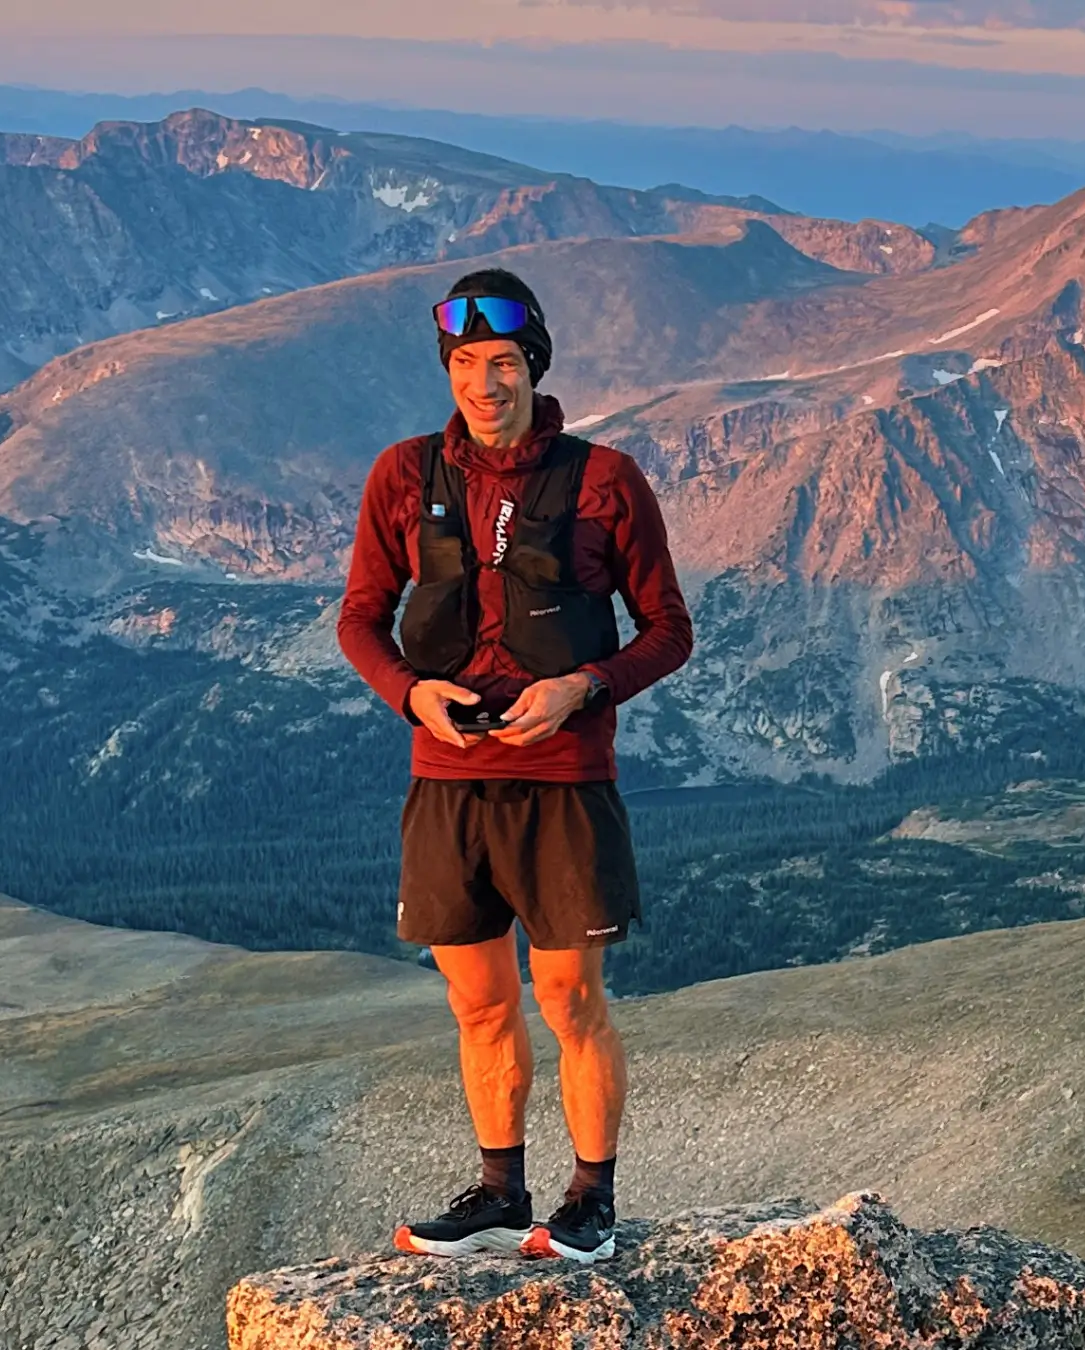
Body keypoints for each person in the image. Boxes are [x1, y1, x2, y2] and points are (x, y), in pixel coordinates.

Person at [337, 267, 693, 1263]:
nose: (483, 385)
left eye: (502, 363)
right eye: (464, 364)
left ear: (534, 365)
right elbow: (360, 620)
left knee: (570, 1000)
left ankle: (591, 1203)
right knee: (478, 1003)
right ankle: (500, 1192)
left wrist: (582, 687)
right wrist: (411, 694)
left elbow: (668, 630)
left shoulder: (606, 481)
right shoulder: (402, 475)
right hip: (446, 781)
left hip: (565, 781)